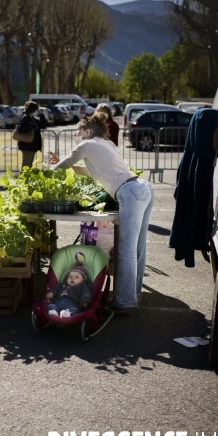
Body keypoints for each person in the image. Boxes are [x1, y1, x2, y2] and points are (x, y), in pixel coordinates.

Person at [47, 113, 154, 313]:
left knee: (126, 250)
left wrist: (47, 171)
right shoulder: (106, 144)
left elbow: (62, 167)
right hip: (142, 188)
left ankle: (124, 303)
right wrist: (64, 162)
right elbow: (90, 171)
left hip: (129, 192)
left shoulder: (86, 145)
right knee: (137, 248)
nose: (76, 133)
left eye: (78, 130)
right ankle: (133, 294)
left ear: (88, 131)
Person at [17, 101, 48, 170]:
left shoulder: (33, 119)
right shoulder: (25, 117)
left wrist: (41, 115)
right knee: (25, 165)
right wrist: (31, 126)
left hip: (32, 145)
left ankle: (26, 179)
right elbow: (21, 129)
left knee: (29, 165)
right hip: (26, 145)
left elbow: (44, 124)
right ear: (33, 110)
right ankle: (21, 180)